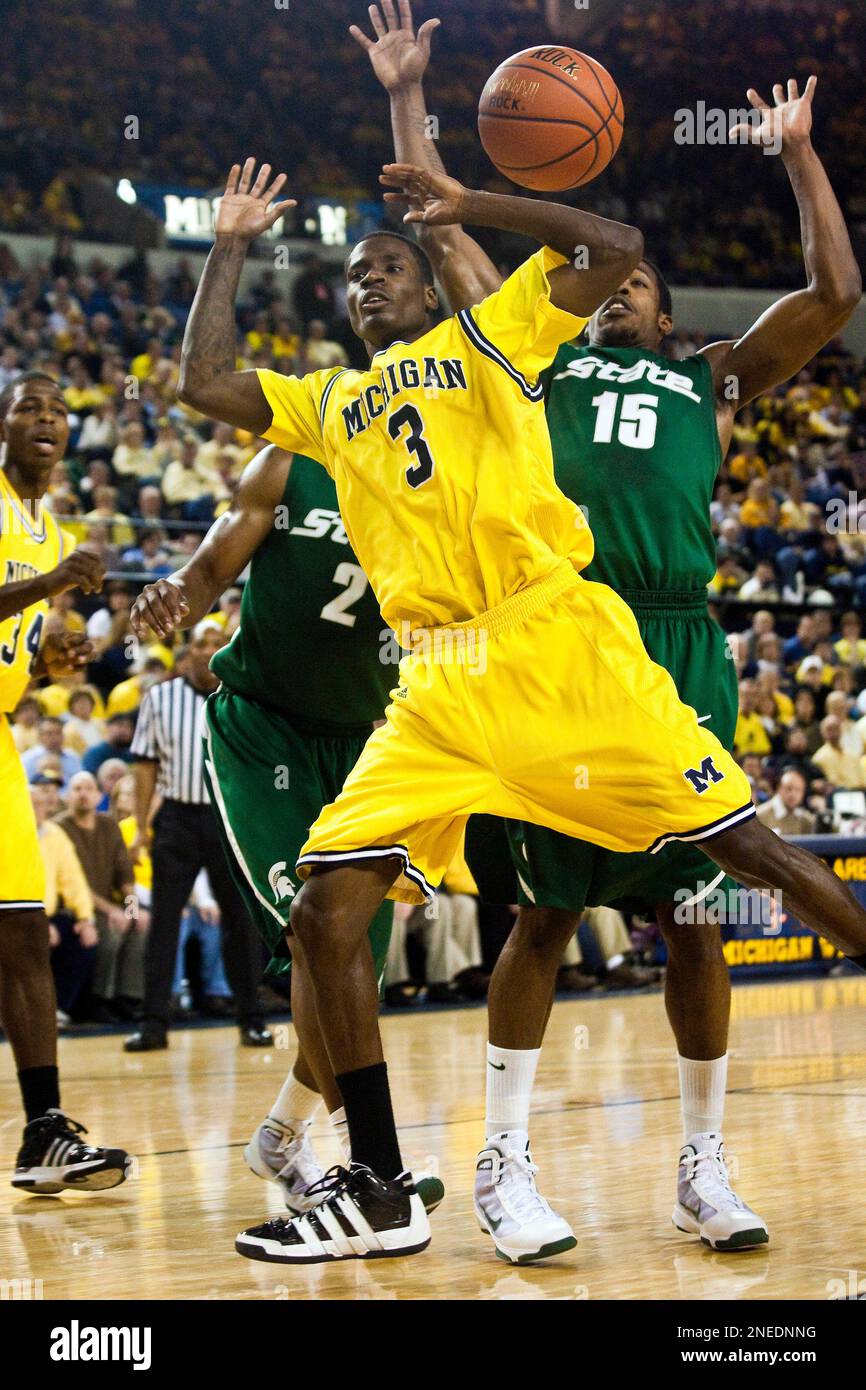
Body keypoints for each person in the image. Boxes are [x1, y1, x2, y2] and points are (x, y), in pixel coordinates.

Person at [176, 134, 866, 1270]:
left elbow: (615, 244)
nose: (367, 279)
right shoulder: (328, 400)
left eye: (388, 263)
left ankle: (673, 1154)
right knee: (323, 910)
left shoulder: (491, 339)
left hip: (555, 643)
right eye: (352, 274)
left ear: (426, 277)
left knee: (753, 857)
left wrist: (464, 197)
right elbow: (202, 383)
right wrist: (228, 250)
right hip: (435, 682)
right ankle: (385, 1184)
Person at [359, 4, 862, 1261]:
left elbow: (834, 293)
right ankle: (505, 1160)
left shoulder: (713, 376)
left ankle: (702, 1162)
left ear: (668, 310)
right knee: (542, 914)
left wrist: (796, 154)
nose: (612, 292)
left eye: (634, 285)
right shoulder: (524, 360)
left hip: (678, 645)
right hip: (552, 646)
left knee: (696, 914)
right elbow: (444, 223)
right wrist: (407, 102)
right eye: (602, 285)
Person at [130, 445, 442, 1215]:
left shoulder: (445, 479)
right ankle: (363, 1161)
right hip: (264, 731)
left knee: (357, 964)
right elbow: (208, 568)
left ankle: (281, 1135)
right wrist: (177, 590)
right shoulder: (293, 461)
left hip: (364, 738)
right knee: (319, 939)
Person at [0, 369, 130, 1190]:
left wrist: (54, 663)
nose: (45, 418)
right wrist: (50, 589)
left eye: (57, 410)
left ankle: (43, 1130)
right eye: (27, 407)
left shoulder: (48, 529)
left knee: (23, 934)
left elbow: (24, 660)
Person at [123, 623, 271, 1050]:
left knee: (241, 923)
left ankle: (252, 1019)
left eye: (216, 644)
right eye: (201, 644)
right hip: (177, 819)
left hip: (228, 819)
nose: (208, 651)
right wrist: (141, 828)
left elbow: (255, 764)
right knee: (165, 922)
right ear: (187, 652)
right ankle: (153, 1023)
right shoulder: (159, 697)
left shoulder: (242, 696)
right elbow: (145, 764)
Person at [55, 770, 144, 1021]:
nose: (83, 794)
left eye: (88, 789)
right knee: (110, 931)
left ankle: (127, 997)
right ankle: (98, 999)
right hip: (74, 907)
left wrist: (132, 910)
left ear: (99, 795)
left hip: (110, 905)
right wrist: (113, 911)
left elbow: (126, 875)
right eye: (77, 789)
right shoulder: (59, 828)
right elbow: (75, 884)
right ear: (68, 796)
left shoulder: (108, 825)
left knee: (140, 927)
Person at [756, 770, 816, 835]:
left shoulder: (806, 820)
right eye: (789, 788)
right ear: (779, 789)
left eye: (798, 790)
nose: (793, 794)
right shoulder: (759, 816)